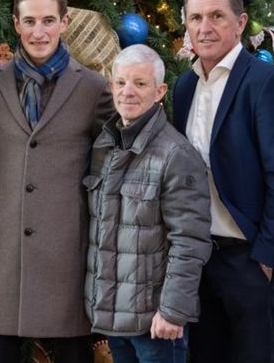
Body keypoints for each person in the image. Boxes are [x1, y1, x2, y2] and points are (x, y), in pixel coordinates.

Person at [0, 0, 112, 363]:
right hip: (4, 254)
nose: (39, 32)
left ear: (64, 23)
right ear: (16, 24)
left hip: (67, 256)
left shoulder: (95, 89)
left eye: (48, 21)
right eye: (29, 21)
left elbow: (104, 176)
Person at [171, 0, 274, 363]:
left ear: (240, 22)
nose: (204, 27)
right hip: (196, 258)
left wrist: (267, 258)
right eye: (195, 17)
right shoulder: (183, 87)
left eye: (216, 16)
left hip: (248, 258)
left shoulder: (266, 81)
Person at [85, 44, 211, 363]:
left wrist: (172, 311)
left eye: (140, 83)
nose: (128, 91)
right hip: (115, 318)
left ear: (159, 91)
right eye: (121, 82)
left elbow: (190, 240)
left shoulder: (175, 155)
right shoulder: (104, 145)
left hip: (156, 324)